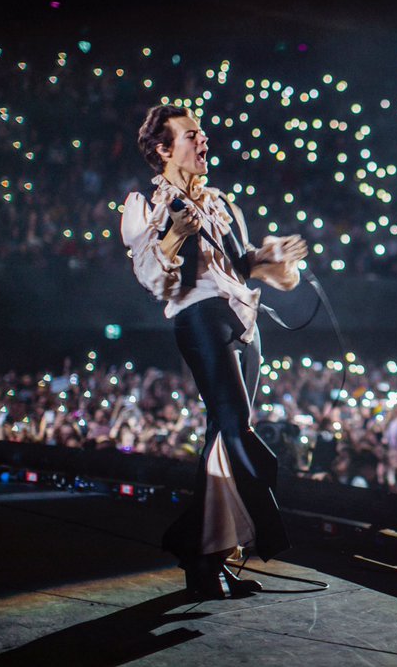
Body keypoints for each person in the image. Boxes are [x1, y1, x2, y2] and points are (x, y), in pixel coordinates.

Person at [120, 104, 308, 600]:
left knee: (221, 440)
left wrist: (268, 258)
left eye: (203, 134)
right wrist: (176, 233)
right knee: (235, 427)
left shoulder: (220, 201)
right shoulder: (150, 206)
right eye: (191, 135)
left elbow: (238, 266)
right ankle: (255, 525)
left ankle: (207, 559)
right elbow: (153, 278)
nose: (203, 141)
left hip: (241, 318)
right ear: (164, 149)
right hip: (200, 317)